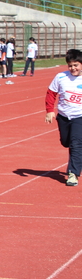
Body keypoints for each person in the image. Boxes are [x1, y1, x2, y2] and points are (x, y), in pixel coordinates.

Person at [45, 49, 82, 186]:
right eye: (70, 65)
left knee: (76, 143)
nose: (73, 68)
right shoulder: (61, 77)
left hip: (80, 116)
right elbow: (50, 94)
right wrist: (50, 111)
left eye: (76, 65)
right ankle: (77, 159)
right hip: (64, 116)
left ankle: (73, 173)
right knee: (66, 142)